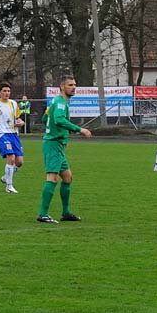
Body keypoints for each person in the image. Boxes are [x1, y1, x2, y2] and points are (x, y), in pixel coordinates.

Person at [37, 75, 92, 223]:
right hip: (53, 144)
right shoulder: (61, 102)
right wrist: (80, 129)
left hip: (57, 143)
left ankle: (66, 212)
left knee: (67, 177)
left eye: (75, 85)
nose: (73, 87)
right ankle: (43, 214)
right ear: (62, 86)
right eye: (70, 85)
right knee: (52, 178)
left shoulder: (57, 101)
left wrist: (62, 136)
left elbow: (44, 119)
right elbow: (59, 120)